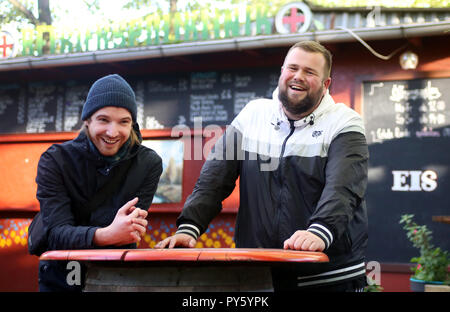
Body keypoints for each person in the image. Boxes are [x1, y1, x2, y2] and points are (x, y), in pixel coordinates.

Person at [156, 41, 369, 292]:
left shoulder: (345, 122)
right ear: (282, 72)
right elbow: (214, 179)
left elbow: (343, 188)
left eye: (309, 72)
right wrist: (189, 228)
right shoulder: (252, 114)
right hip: (260, 274)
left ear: (326, 84)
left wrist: (320, 231)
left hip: (328, 275)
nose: (298, 77)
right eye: (292, 68)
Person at [36, 74, 162, 291]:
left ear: (132, 124)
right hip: (61, 276)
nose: (113, 132)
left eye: (124, 122)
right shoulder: (55, 160)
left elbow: (129, 231)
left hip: (115, 276)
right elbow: (56, 234)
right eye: (103, 120)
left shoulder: (149, 163)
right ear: (87, 120)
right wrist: (106, 234)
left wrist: (112, 233)